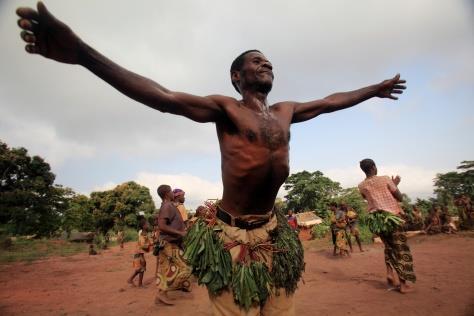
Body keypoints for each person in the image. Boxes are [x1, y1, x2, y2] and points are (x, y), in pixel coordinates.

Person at [15, 3, 407, 314]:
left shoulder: (286, 111)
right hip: (231, 237)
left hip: (274, 233)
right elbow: (164, 98)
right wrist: (84, 54)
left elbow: (328, 101)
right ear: (237, 76)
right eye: (256, 61)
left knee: (281, 309)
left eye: (269, 60)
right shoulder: (226, 109)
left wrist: (375, 89)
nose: (266, 63)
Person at [358, 159, 416, 294]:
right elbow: (400, 197)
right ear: (373, 167)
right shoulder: (385, 179)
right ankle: (403, 285)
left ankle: (390, 272)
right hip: (392, 219)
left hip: (378, 221)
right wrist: (395, 184)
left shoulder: (361, 185)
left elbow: (370, 198)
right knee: (400, 250)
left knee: (389, 247)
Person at [155, 184, 192, 305]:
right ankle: (163, 292)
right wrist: (180, 233)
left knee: (165, 271)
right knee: (186, 269)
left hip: (171, 244)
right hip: (168, 244)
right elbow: (162, 226)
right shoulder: (167, 206)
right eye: (171, 191)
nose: (172, 193)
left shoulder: (169, 206)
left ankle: (161, 296)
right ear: (167, 193)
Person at [127, 220, 152, 287]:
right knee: (141, 267)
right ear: (143, 226)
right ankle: (132, 280)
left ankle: (137, 282)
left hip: (140, 253)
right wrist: (150, 245)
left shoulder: (145, 233)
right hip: (139, 254)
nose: (148, 225)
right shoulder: (142, 235)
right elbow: (142, 246)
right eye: (147, 224)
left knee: (141, 268)